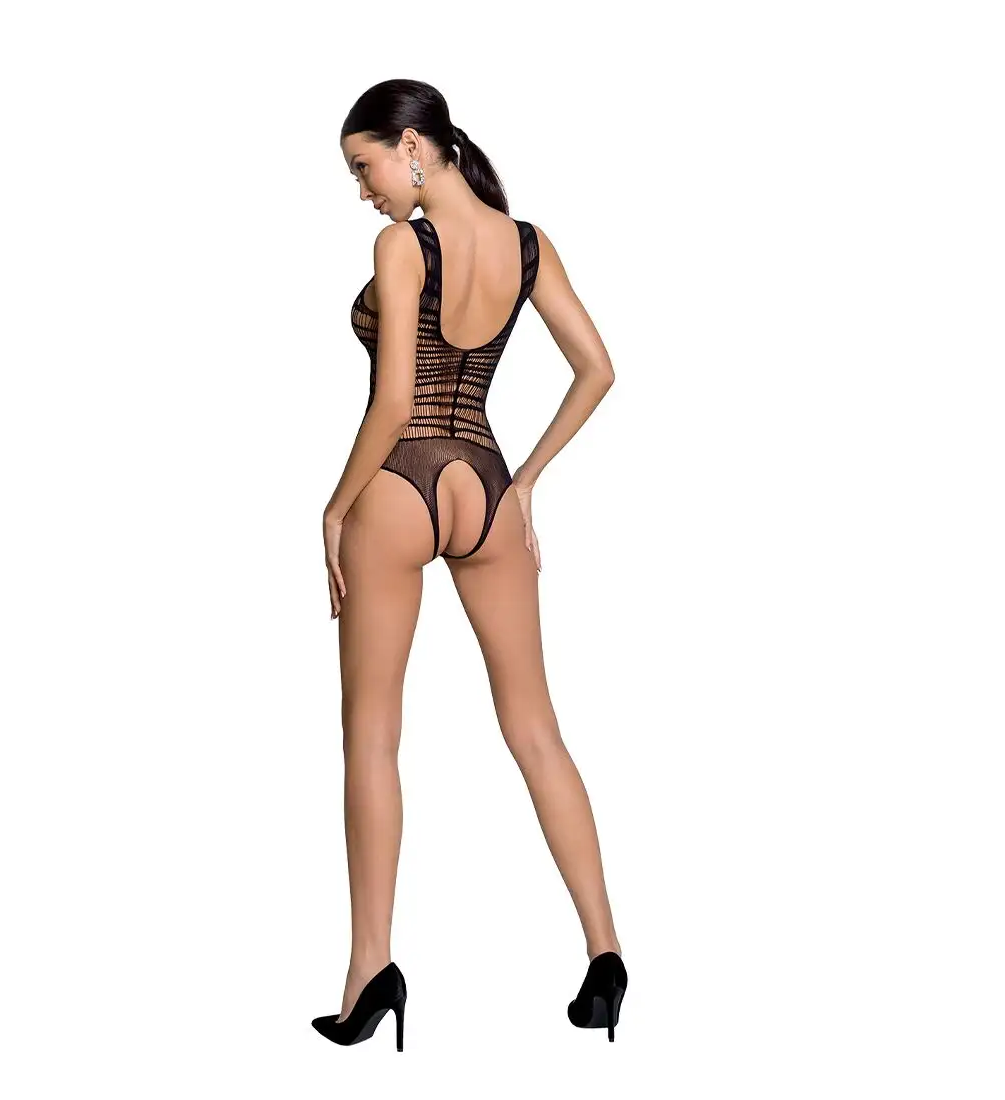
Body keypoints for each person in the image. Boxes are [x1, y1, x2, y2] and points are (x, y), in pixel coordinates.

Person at [311, 79, 626, 1050]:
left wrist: (334, 506)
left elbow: (394, 401)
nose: (362, 190)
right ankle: (605, 954)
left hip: (400, 486)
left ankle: (371, 969)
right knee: (536, 728)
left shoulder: (404, 247)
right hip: (485, 486)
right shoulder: (526, 244)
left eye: (364, 166)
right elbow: (598, 368)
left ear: (412, 146)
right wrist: (524, 481)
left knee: (371, 733)